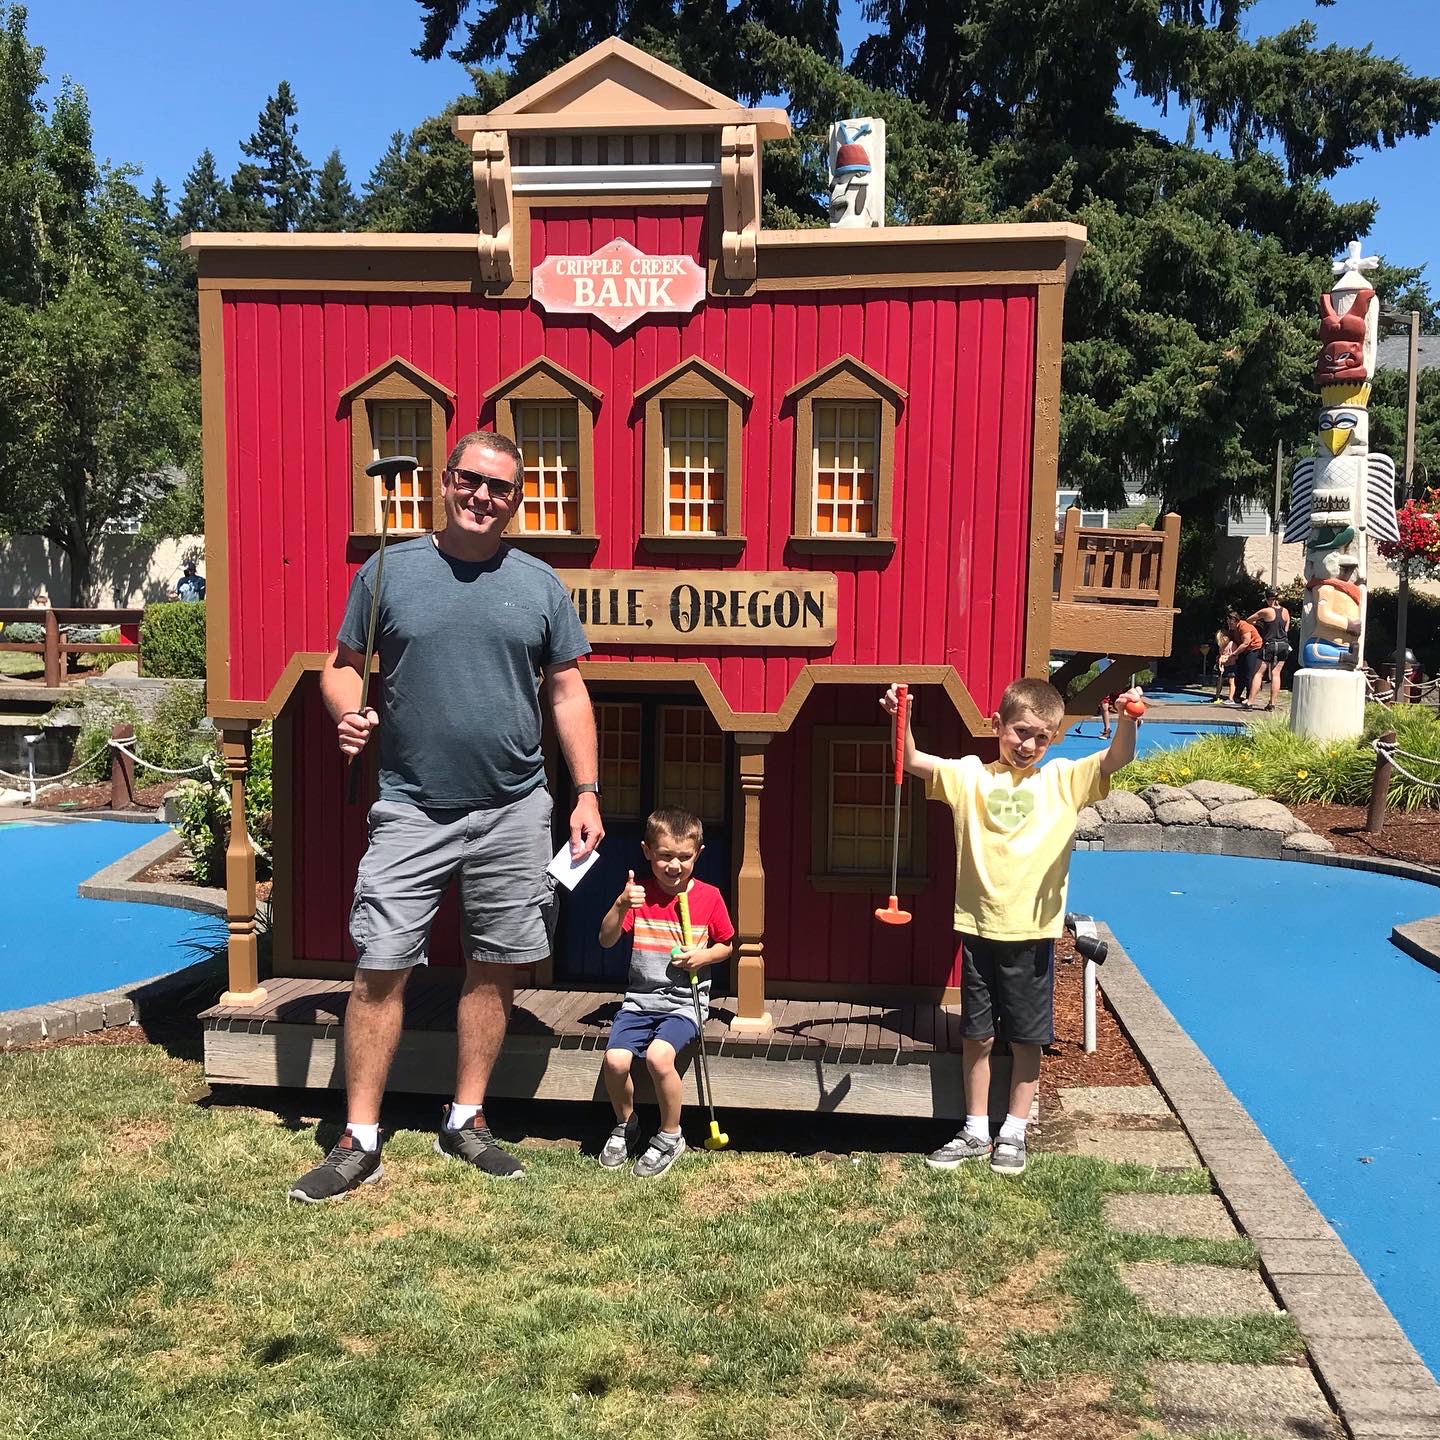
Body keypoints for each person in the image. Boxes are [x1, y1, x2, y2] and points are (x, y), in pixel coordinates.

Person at [288, 430, 604, 1203]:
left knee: (495, 965)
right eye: (471, 480)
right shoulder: (388, 571)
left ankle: (466, 1119)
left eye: (500, 488)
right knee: (381, 964)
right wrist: (346, 712)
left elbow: (568, 692)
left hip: (514, 808)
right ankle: (359, 1139)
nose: (482, 496)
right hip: (411, 807)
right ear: (446, 480)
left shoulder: (538, 585)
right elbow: (341, 669)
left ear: (516, 501)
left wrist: (588, 790)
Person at [880, 676, 1140, 1177]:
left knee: (1026, 1038)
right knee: (977, 1035)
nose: (1029, 744)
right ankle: (976, 1128)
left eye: (1042, 736)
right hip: (978, 929)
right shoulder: (970, 776)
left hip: (1032, 934)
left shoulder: (1062, 780)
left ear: (1054, 737)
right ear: (997, 725)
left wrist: (1127, 720)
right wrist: (900, 717)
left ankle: (1014, 1130)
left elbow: (1116, 759)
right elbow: (910, 759)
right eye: (1021, 731)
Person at [596, 807, 735, 1178]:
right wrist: (620, 904)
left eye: (684, 857)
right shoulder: (638, 897)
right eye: (665, 856)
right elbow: (606, 939)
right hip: (640, 1001)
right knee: (615, 1061)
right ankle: (626, 1124)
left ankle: (671, 1135)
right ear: (647, 851)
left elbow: (726, 945)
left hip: (685, 1003)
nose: (674, 865)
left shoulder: (709, 897)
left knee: (659, 1058)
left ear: (698, 854)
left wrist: (702, 956)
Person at [1246, 592, 1291, 711]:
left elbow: (1249, 620)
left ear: (1268, 599)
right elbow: (1286, 629)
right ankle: (1272, 704)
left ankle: (1250, 702)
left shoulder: (1266, 611)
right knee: (1276, 674)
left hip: (1270, 644)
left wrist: (1260, 623)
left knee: (1258, 673)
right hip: (1283, 645)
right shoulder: (1286, 611)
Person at [1224, 610, 1263, 708]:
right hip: (1244, 650)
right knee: (1240, 673)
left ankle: (1249, 698)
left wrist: (1234, 654)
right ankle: (1236, 696)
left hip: (1253, 649)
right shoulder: (1233, 630)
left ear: (1236, 620)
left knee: (1249, 674)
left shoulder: (1244, 626)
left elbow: (1246, 642)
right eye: (1228, 623)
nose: (1229, 625)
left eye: (1231, 623)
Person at [1210, 628, 1237, 705]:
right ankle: (1217, 696)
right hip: (1223, 666)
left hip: (1231, 665)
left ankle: (1231, 698)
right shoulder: (1221, 647)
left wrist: (1226, 659)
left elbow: (1235, 656)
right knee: (1219, 681)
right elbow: (1220, 656)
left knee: (1231, 681)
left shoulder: (1232, 644)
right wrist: (1220, 665)